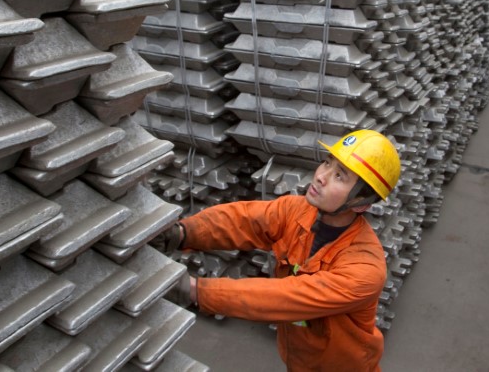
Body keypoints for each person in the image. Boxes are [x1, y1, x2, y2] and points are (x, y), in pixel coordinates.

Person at [154, 129, 401, 372]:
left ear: (361, 204)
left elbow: (285, 296)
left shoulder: (364, 269)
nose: (321, 176)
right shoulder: (296, 211)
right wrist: (183, 232)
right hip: (298, 357)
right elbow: (243, 220)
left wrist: (196, 291)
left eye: (340, 176)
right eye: (327, 163)